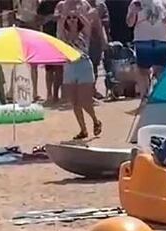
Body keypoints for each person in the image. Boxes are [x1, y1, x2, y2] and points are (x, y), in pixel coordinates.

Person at [59, 10, 102, 138]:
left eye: (74, 18)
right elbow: (60, 28)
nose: (72, 20)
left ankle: (95, 120)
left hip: (83, 65)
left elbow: (88, 24)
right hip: (69, 66)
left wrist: (79, 14)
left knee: (85, 101)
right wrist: (63, 17)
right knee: (74, 102)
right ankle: (83, 130)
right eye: (69, 18)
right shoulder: (63, 36)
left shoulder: (84, 34)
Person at [127, 0, 166, 97]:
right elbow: (129, 23)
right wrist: (133, 12)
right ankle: (145, 97)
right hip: (143, 40)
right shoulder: (136, 2)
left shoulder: (163, 2)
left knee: (161, 71)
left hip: (161, 40)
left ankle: (161, 97)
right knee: (143, 71)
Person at [15, 0, 41, 100]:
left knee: (34, 63)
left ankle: (35, 92)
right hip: (23, 26)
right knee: (18, 60)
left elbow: (36, 11)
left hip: (33, 28)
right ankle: (11, 91)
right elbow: (18, 12)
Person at [86, 0, 110, 96]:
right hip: (83, 39)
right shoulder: (81, 4)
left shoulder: (101, 5)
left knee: (94, 65)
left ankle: (92, 89)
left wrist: (98, 19)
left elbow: (107, 20)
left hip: (96, 40)